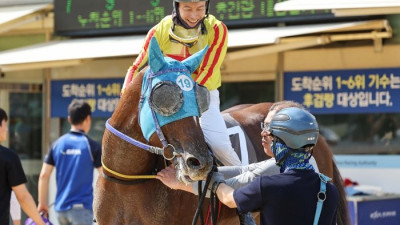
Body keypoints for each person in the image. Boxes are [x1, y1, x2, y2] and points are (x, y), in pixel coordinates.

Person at [157, 106, 339, 225]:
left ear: (284, 141)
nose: (265, 136)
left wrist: (213, 179)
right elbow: (246, 170)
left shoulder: (268, 185)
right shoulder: (329, 189)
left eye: (272, 135)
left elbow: (229, 198)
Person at [122, 0, 241, 166]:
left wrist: (182, 99)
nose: (194, 15)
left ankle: (242, 181)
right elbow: (136, 67)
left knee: (220, 146)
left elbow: (208, 71)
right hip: (165, 97)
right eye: (187, 8)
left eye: (200, 8)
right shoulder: (160, 29)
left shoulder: (217, 29)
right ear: (176, 7)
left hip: (202, 95)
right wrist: (125, 100)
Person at [38, 100, 102, 225]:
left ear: (69, 119)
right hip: (82, 209)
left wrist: (42, 202)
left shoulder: (57, 145)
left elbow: (44, 175)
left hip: (60, 209)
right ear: (88, 119)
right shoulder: (91, 146)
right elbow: (104, 176)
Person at [0, 108, 46, 225]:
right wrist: (40, 223)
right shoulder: (8, 157)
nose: (6, 129)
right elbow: (22, 197)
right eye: (5, 125)